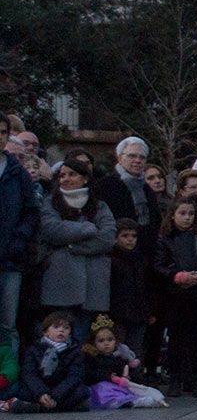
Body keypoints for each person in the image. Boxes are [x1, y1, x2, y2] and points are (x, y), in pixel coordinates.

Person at [37, 157, 116, 342]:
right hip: (60, 281)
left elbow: (107, 238)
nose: (65, 179)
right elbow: (51, 230)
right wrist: (87, 228)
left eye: (72, 174)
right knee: (58, 336)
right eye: (62, 175)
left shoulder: (99, 206)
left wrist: (73, 246)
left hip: (92, 284)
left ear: (85, 178)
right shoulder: (51, 203)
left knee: (83, 337)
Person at [155, 196, 197, 399]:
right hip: (176, 296)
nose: (187, 218)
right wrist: (176, 276)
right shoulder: (165, 237)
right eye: (182, 213)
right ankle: (176, 378)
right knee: (177, 340)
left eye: (191, 214)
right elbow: (158, 265)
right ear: (173, 215)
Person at [1, 312, 89, 413]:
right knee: (20, 391)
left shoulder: (75, 351)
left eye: (66, 328)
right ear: (45, 332)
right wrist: (41, 393)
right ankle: (61, 407)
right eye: (56, 327)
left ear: (70, 332)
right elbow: (29, 373)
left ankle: (38, 408)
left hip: (61, 390)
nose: (61, 330)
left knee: (83, 391)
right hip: (39, 388)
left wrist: (56, 395)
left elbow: (75, 376)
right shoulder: (34, 349)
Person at [0, 131, 39, 360]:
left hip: (10, 258)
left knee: (7, 324)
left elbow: (31, 211)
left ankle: (7, 380)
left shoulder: (17, 173)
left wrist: (19, 239)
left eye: (3, 132)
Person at [93, 136, 162, 256]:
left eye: (142, 157)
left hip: (144, 254)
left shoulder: (147, 190)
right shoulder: (104, 186)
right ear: (119, 158)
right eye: (132, 156)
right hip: (114, 253)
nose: (137, 160)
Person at [83, 316, 167, 409]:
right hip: (100, 387)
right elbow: (91, 374)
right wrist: (110, 377)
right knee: (104, 388)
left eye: (110, 340)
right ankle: (121, 402)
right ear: (94, 343)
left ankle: (132, 401)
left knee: (131, 389)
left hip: (118, 386)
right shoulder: (92, 358)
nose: (106, 343)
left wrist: (126, 375)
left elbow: (124, 373)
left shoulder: (118, 359)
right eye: (101, 341)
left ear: (116, 341)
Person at [108, 219, 150, 365]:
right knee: (116, 350)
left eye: (134, 236)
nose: (130, 239)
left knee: (135, 352)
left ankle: (135, 383)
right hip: (117, 313)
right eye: (125, 236)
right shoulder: (110, 260)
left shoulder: (141, 260)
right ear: (116, 237)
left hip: (138, 312)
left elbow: (147, 287)